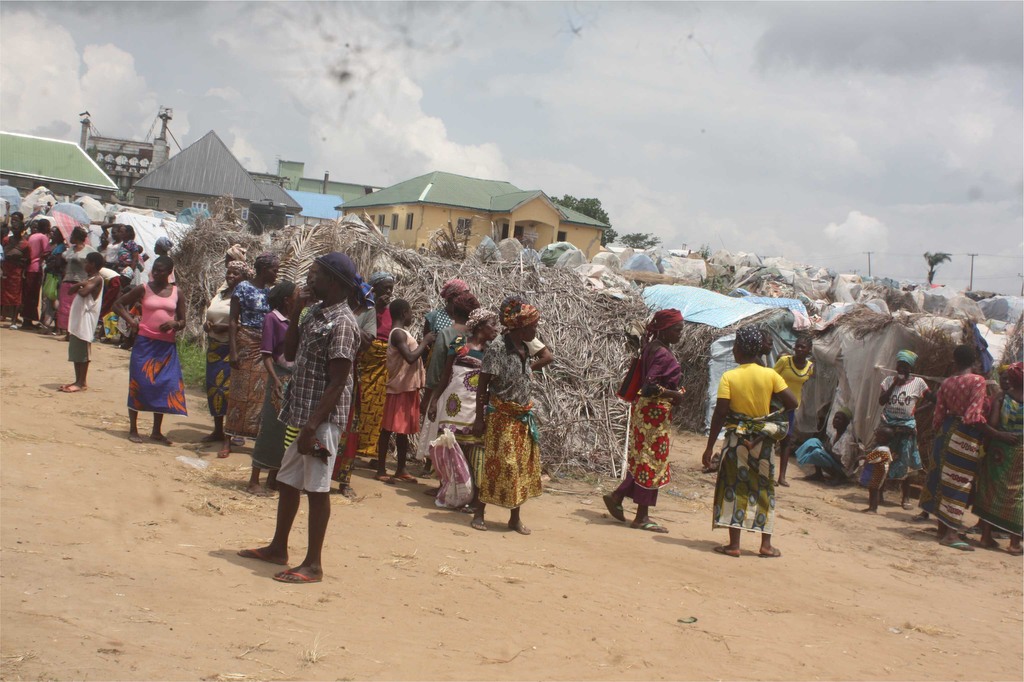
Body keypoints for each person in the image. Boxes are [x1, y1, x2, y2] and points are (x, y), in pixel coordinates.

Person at [237, 252, 360, 584]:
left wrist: (311, 428)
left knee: (317, 489)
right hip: (303, 416)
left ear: (333, 282)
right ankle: (279, 547)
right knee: (288, 481)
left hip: (321, 425)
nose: (309, 279)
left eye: (316, 274)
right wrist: (295, 313)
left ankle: (314, 565)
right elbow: (289, 354)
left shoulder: (344, 323)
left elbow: (337, 383)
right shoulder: (315, 313)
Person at [702, 325, 798, 558]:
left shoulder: (730, 377)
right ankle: (766, 545)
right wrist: (770, 416)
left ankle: (734, 544)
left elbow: (721, 413)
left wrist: (709, 446)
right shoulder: (771, 375)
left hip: (737, 440)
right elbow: (792, 403)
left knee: (733, 487)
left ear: (740, 349)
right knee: (764, 488)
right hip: (762, 441)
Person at [919, 344, 1011, 550]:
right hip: (964, 435)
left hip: (945, 431)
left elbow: (938, 415)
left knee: (943, 479)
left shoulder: (947, 382)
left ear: (955, 360)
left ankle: (942, 528)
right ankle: (951, 535)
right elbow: (973, 416)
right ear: (974, 361)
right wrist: (997, 434)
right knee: (959, 482)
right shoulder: (977, 381)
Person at [603, 309, 686, 533]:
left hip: (647, 413)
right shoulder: (661, 353)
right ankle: (641, 517)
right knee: (652, 463)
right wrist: (674, 395)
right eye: (677, 330)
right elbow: (649, 386)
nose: (681, 334)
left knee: (643, 460)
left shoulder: (653, 347)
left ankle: (618, 495)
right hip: (653, 415)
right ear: (665, 330)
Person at [471, 296, 544, 534]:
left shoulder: (524, 348)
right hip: (501, 416)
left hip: (522, 417)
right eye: (532, 325)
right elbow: (482, 385)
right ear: (520, 327)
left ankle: (514, 517)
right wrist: (479, 418)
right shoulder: (498, 348)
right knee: (498, 465)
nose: (535, 329)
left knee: (521, 468)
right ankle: (479, 512)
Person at [428, 307, 500, 509]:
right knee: (451, 447)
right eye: (492, 325)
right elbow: (446, 375)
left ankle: (475, 498)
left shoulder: (492, 351)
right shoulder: (459, 343)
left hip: (476, 407)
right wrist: (434, 401)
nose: (496, 329)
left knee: (475, 450)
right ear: (479, 326)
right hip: (453, 404)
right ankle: (452, 491)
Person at [113, 256, 187, 444]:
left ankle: (156, 431)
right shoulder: (143, 288)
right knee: (139, 383)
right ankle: (133, 429)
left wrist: (174, 323)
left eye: (161, 270)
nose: (156, 273)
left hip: (166, 346)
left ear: (169, 272)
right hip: (145, 344)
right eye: (155, 269)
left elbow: (183, 321)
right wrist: (131, 321)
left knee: (164, 385)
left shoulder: (177, 292)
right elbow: (118, 304)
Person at [418, 290, 480, 469]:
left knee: (440, 435)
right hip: (469, 396)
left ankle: (439, 474)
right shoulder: (477, 337)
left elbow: (437, 369)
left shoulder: (446, 334)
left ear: (453, 311)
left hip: (445, 393)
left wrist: (429, 398)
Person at [376, 299, 434, 483]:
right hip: (398, 389)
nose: (411, 316)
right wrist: (425, 341)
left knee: (402, 431)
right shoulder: (398, 334)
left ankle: (401, 469)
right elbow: (410, 357)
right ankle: (380, 469)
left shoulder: (402, 333)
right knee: (387, 429)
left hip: (407, 388)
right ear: (403, 313)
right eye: (410, 312)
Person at [225, 253, 280, 447]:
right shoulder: (243, 288)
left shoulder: (271, 293)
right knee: (238, 391)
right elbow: (232, 321)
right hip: (245, 341)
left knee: (259, 393)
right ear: (264, 270)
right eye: (274, 270)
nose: (276, 273)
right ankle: (228, 437)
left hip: (264, 345)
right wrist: (233, 351)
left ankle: (253, 437)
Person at [250, 281, 299, 494]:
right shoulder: (272, 318)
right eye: (297, 294)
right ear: (287, 299)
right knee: (269, 426)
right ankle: (254, 480)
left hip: (292, 377)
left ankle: (273, 478)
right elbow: (266, 354)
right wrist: (276, 380)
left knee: (283, 430)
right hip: (279, 376)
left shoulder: (294, 320)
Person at [202, 261, 252, 456]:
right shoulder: (221, 293)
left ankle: (231, 434)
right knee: (214, 389)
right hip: (215, 348)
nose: (230, 276)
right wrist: (208, 325)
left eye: (235, 273)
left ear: (244, 276)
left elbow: (245, 323)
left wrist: (223, 328)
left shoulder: (245, 295)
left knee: (231, 392)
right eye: (229, 273)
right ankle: (217, 429)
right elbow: (212, 313)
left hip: (233, 349)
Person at [973, 363, 1023, 555]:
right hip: (1020, 451)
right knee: (1017, 494)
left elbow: (992, 424)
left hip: (998, 451)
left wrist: (1002, 435)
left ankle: (985, 537)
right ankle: (1014, 543)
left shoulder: (1001, 397)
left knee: (990, 488)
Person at [878, 350, 935, 509]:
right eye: (900, 365)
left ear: (911, 367)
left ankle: (905, 498)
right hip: (888, 425)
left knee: (907, 460)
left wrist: (916, 411)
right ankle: (880, 492)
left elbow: (932, 399)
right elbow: (881, 401)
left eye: (905, 366)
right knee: (883, 458)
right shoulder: (888, 381)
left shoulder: (919, 383)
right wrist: (894, 384)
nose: (901, 369)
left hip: (906, 427)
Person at [354, 271, 395, 459]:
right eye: (384, 288)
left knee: (377, 405)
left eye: (391, 288)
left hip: (383, 363)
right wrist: (377, 308)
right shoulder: (365, 307)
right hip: (366, 360)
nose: (388, 291)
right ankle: (354, 443)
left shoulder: (392, 311)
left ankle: (370, 446)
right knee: (361, 400)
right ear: (374, 288)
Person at [59, 252, 105, 393]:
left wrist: (80, 285)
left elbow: (84, 292)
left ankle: (81, 382)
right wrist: (82, 284)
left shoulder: (97, 279)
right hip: (78, 320)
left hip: (86, 320)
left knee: (83, 351)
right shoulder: (89, 279)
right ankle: (77, 379)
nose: (85, 265)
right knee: (76, 352)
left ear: (93, 264)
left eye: (87, 263)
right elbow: (74, 290)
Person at [773, 334, 814, 487]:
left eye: (803, 347)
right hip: (776, 404)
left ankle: (781, 476)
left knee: (786, 441)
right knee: (770, 438)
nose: (799, 349)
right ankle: (769, 473)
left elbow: (802, 385)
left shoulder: (810, 367)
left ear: (809, 350)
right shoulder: (785, 361)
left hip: (791, 407)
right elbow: (771, 378)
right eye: (797, 346)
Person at [794, 407, 855, 482]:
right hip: (833, 462)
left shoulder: (847, 438)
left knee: (817, 452)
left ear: (846, 423)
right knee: (814, 441)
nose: (836, 420)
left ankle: (838, 478)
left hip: (842, 470)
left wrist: (828, 451)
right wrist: (827, 449)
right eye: (835, 418)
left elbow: (845, 463)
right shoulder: (835, 434)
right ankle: (818, 473)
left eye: (839, 419)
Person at [57, 227, 98, 339]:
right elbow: (63, 259)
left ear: (77, 237)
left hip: (80, 282)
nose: (70, 238)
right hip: (67, 280)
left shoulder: (89, 250)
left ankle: (75, 333)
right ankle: (67, 333)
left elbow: (97, 263)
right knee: (65, 309)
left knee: (77, 309)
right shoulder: (69, 250)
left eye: (72, 236)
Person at [21, 218, 51, 329]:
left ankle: (26, 319)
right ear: (45, 227)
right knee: (33, 295)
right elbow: (46, 252)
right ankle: (28, 321)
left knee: (28, 295)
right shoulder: (43, 237)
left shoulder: (32, 236)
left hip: (29, 267)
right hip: (36, 268)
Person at [857, 426, 894, 513]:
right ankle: (871, 507)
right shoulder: (885, 449)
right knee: (872, 488)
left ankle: (873, 508)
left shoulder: (882, 449)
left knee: (874, 489)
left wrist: (861, 457)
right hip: (878, 471)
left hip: (877, 472)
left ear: (882, 438)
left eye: (877, 436)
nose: (876, 437)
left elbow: (870, 458)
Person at [2, 219, 28, 327]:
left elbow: (27, 260)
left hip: (17, 272)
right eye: (14, 228)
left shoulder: (25, 244)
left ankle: (13, 320)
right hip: (5, 270)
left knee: (16, 296)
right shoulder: (6, 240)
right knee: (2, 294)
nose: (15, 230)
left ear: (22, 230)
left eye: (17, 229)